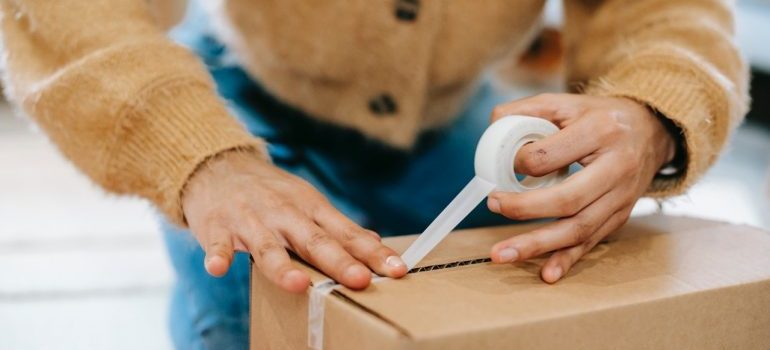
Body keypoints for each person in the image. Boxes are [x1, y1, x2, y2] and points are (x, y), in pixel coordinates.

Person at [0, 0, 748, 348]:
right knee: (248, 318)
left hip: (456, 120)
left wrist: (655, 111)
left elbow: (666, 12)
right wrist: (199, 157)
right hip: (236, 101)